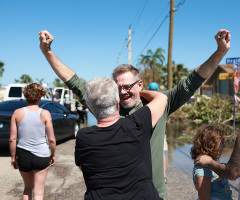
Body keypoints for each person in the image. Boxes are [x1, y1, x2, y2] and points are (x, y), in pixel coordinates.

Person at [39, 29, 231, 199]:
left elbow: (192, 82)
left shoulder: (157, 105)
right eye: (118, 87)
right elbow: (74, 81)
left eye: (127, 86)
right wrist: (48, 53)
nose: (123, 92)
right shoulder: (108, 109)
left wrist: (220, 52)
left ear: (140, 84)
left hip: (152, 192)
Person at [75, 77, 168, 199]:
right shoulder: (137, 124)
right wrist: (140, 92)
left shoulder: (83, 136)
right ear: (117, 103)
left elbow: (84, 167)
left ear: (91, 108)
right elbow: (162, 98)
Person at [9, 83, 56, 200]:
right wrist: (53, 154)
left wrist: (13, 158)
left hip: (23, 155)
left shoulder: (17, 113)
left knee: (27, 188)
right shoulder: (45, 113)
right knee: (38, 192)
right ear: (40, 97)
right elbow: (51, 139)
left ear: (26, 96)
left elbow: (12, 139)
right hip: (41, 155)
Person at [191, 125, 232, 200]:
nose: (224, 145)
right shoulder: (203, 168)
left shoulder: (211, 163)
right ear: (211, 145)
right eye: (222, 142)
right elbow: (204, 197)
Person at [149, 82, 168, 184]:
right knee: (162, 153)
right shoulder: (162, 100)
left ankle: (154, 175)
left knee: (153, 152)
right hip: (162, 131)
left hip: (153, 131)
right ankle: (164, 176)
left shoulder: (148, 101)